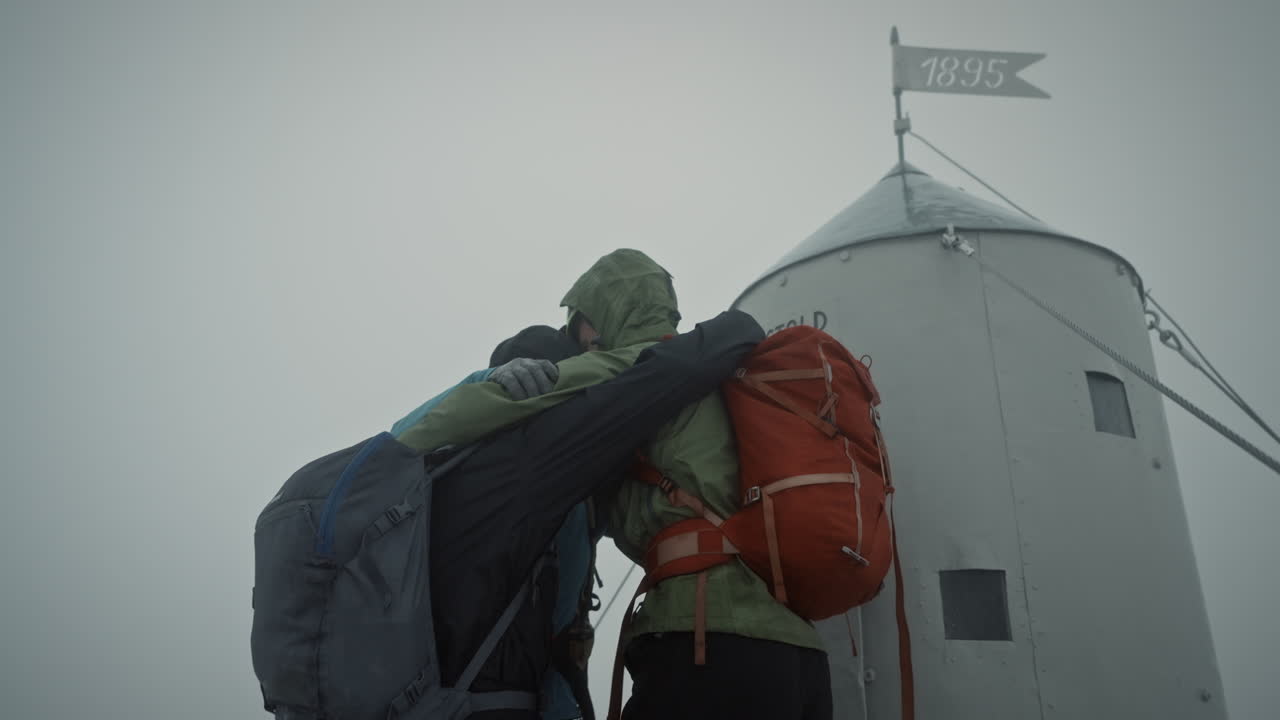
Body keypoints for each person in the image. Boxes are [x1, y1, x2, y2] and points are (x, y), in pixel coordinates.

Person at [403, 249, 833, 720]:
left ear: (600, 317)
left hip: (707, 635)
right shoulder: (724, 375)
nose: (580, 343)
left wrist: (398, 445)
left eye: (578, 329)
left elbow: (478, 410)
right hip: (801, 650)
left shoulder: (633, 367)